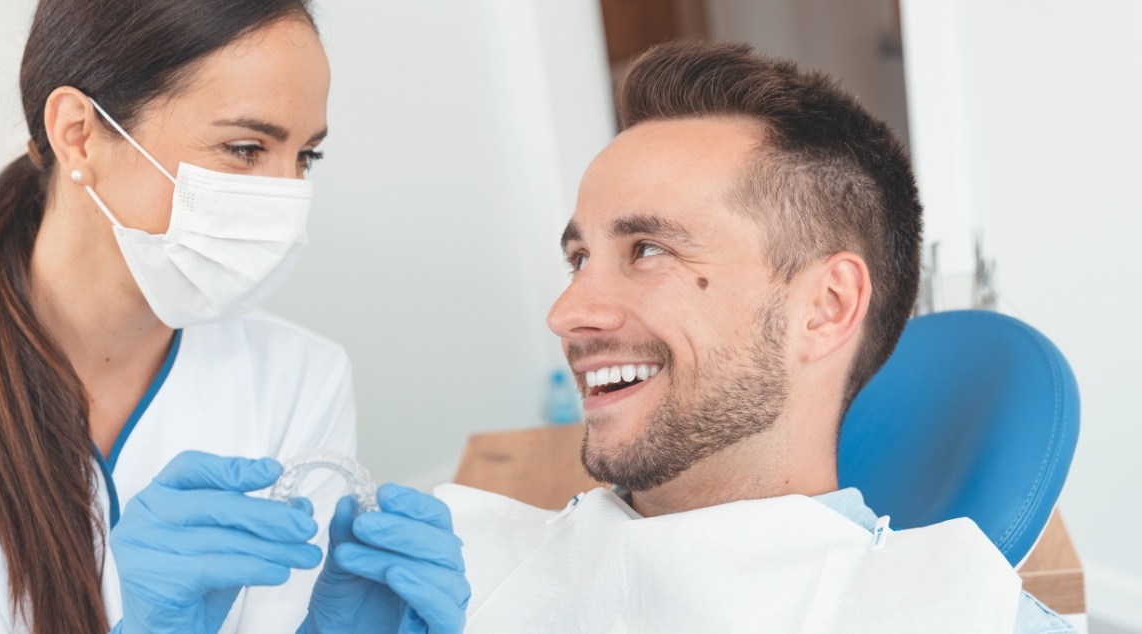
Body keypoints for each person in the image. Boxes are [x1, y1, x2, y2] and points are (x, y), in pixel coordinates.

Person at [0, 1, 466, 632]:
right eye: (244, 149)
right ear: (78, 135)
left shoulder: (300, 377)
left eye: (305, 156)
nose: (286, 201)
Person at [448, 41, 1073, 632]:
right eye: (580, 258)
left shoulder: (954, 616)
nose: (566, 312)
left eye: (646, 250)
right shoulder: (454, 571)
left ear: (826, 307)